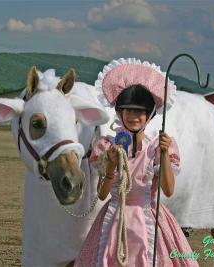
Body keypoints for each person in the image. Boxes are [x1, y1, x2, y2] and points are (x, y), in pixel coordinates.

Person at [75, 58, 198, 266]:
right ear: (119, 113)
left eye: (140, 111)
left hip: (149, 218)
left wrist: (165, 155)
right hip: (115, 220)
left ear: (149, 115)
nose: (134, 116)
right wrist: (112, 165)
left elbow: (168, 190)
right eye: (129, 110)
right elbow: (103, 194)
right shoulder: (108, 147)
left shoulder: (157, 147)